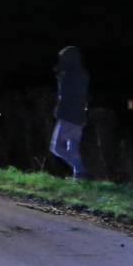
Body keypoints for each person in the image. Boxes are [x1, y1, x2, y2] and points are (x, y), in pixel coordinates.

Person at [50, 45, 89, 180]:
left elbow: (64, 95)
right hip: (80, 116)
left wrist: (58, 109)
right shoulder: (83, 74)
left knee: (56, 148)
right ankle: (78, 175)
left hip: (67, 115)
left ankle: (80, 170)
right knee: (73, 148)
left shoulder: (67, 76)